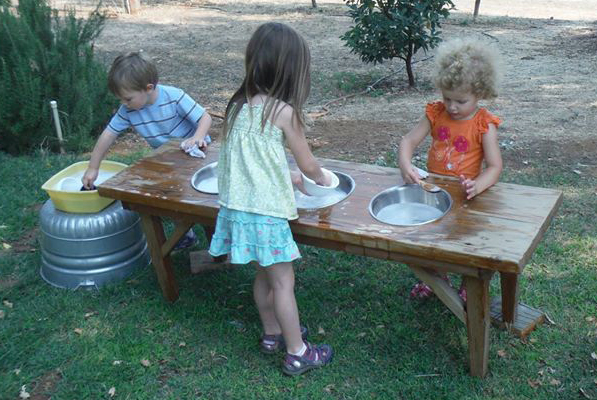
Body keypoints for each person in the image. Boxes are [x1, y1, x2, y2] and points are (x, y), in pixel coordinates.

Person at [208, 22, 334, 376]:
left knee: (264, 277)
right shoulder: (283, 112)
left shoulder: (236, 107)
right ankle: (297, 351)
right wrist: (324, 180)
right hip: (265, 216)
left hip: (237, 211)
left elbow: (250, 161)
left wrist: (288, 176)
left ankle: (271, 333)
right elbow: (310, 165)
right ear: (291, 70)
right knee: (283, 283)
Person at [398, 37, 503, 302]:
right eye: (447, 98)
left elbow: (494, 166)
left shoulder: (483, 124)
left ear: (480, 93)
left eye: (461, 101)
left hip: (466, 197)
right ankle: (435, 279)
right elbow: (408, 141)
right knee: (432, 238)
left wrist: (478, 184)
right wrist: (405, 164)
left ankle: (468, 285)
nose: (452, 106)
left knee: (464, 243)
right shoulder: (435, 113)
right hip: (433, 192)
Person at [82, 52, 212, 249]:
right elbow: (108, 134)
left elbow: (205, 118)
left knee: (200, 200)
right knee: (169, 196)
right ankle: (186, 235)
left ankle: (216, 238)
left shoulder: (174, 97)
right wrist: (93, 167)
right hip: (166, 159)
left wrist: (197, 137)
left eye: (127, 99)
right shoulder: (128, 110)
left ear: (148, 88)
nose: (123, 104)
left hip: (195, 155)